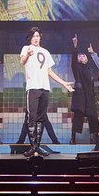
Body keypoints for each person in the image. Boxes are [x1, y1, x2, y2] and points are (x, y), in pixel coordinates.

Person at [20, 27, 74, 158]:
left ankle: (36, 147)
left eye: (37, 35)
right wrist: (27, 54)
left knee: (41, 119)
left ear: (40, 37)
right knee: (31, 118)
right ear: (30, 38)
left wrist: (63, 83)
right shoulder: (26, 48)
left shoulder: (45, 52)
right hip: (33, 87)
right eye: (33, 36)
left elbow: (50, 72)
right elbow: (22, 61)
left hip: (45, 88)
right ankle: (34, 147)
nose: (36, 38)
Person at [70, 35, 99, 148]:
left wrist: (95, 98)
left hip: (89, 96)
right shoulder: (77, 68)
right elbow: (73, 61)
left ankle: (98, 139)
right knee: (78, 117)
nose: (81, 56)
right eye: (79, 56)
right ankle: (73, 138)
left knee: (93, 117)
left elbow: (91, 85)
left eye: (83, 55)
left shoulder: (89, 70)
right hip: (80, 97)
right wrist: (75, 46)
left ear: (86, 59)